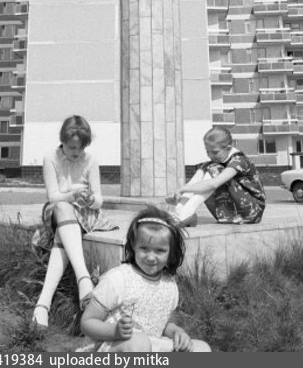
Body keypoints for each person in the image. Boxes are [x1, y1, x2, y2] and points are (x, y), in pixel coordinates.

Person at [79, 206, 211, 352]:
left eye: (160, 250)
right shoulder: (118, 279)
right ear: (133, 246)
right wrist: (114, 331)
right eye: (144, 248)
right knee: (140, 342)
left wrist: (177, 332)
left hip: (151, 346)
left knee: (202, 349)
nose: (151, 257)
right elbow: (87, 322)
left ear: (171, 253)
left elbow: (164, 325)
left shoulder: (169, 284)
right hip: (113, 345)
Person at [32, 115, 118, 333]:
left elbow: (99, 199)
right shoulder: (51, 157)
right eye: (72, 147)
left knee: (61, 236)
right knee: (62, 207)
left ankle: (43, 304)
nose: (77, 153)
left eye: (81, 148)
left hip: (85, 213)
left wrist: (91, 199)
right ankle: (84, 279)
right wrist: (72, 195)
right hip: (58, 208)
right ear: (62, 141)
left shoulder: (91, 160)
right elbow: (53, 196)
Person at [167, 127, 266, 226]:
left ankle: (187, 212)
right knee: (206, 166)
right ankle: (180, 211)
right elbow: (193, 183)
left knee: (215, 169)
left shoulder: (239, 160)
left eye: (215, 152)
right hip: (232, 211)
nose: (210, 155)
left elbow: (214, 184)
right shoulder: (213, 163)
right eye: (207, 151)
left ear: (228, 148)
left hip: (251, 211)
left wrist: (183, 189)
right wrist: (180, 197)